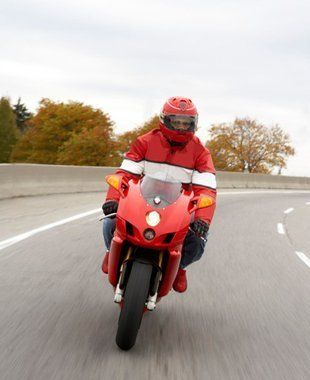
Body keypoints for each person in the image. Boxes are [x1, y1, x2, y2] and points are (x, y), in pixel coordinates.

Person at [101, 96, 217, 292]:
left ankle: (180, 267)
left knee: (197, 242)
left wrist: (202, 220)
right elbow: (125, 174)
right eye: (177, 122)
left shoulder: (200, 153)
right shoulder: (144, 142)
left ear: (194, 124)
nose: (181, 127)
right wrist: (112, 199)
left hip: (180, 208)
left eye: (186, 123)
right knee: (110, 221)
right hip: (141, 200)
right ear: (165, 120)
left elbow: (207, 190)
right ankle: (110, 251)